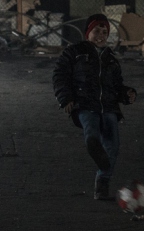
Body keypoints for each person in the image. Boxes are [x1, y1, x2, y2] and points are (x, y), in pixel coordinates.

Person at [52, 13, 137, 200]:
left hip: (109, 108)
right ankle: (98, 156)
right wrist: (65, 98)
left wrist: (127, 94)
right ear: (87, 33)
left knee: (112, 146)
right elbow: (60, 75)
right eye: (97, 31)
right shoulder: (74, 52)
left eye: (105, 32)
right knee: (91, 134)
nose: (101, 35)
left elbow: (117, 85)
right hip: (85, 105)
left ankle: (102, 183)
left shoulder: (111, 59)